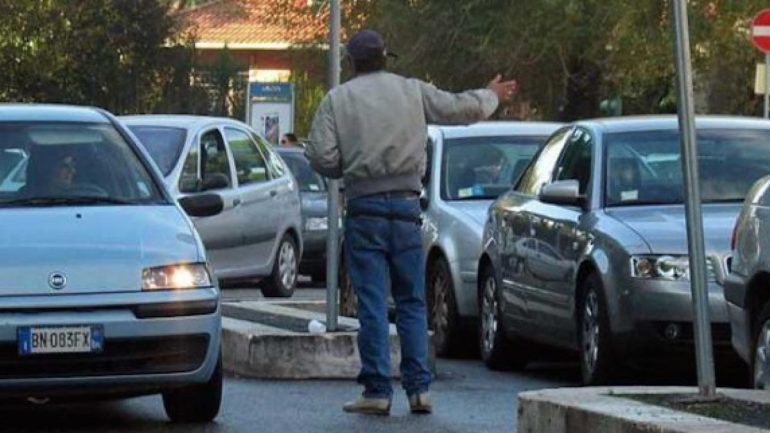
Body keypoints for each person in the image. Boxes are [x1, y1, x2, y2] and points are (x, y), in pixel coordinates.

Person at [305, 29, 518, 416]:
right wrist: (492, 95)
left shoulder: (338, 100)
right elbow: (457, 109)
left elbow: (320, 155)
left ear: (352, 62)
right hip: (405, 207)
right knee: (412, 300)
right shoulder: (413, 90)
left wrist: (349, 169)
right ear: (386, 58)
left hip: (364, 207)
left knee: (371, 300)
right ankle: (419, 389)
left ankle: (376, 390)